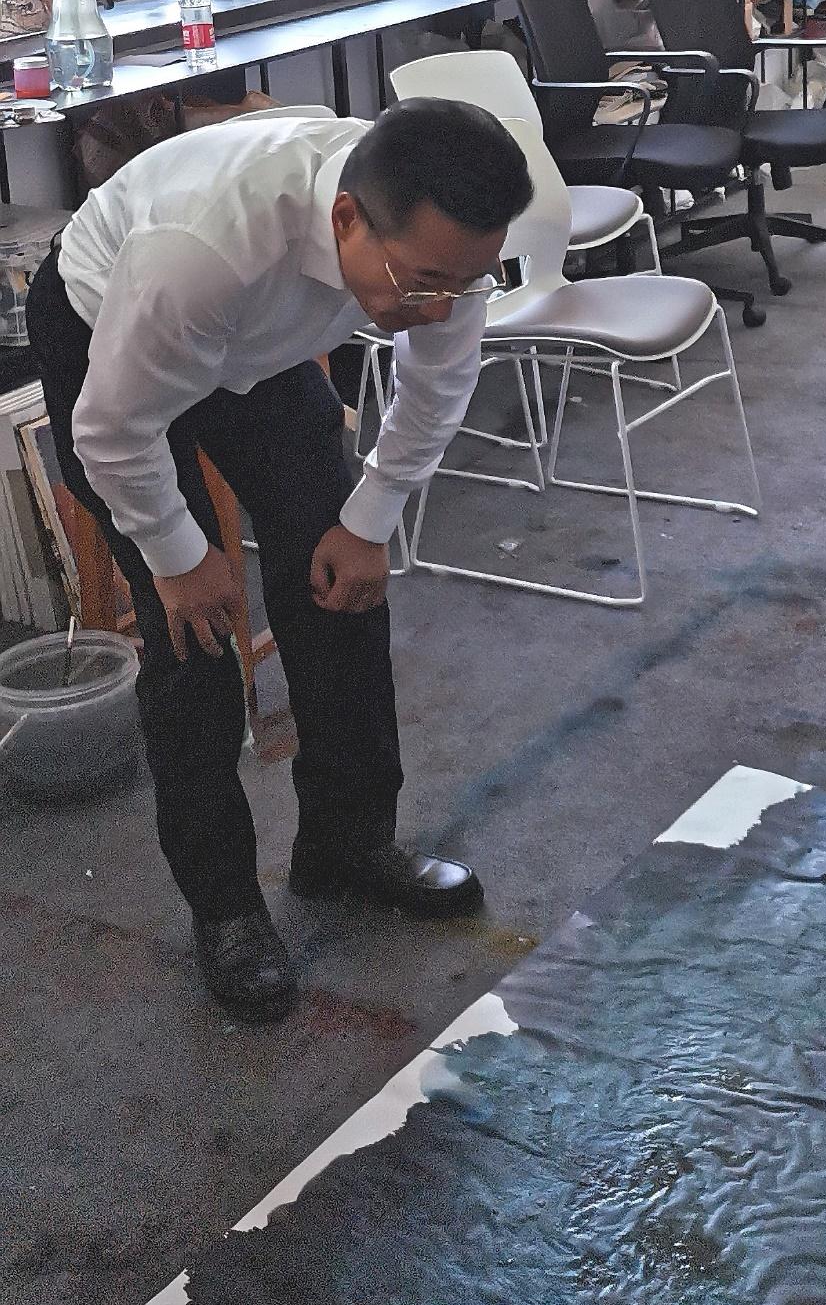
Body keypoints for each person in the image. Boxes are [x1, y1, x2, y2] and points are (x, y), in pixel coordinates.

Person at [26, 99, 533, 1020]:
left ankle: (346, 844)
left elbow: (438, 378)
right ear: (345, 218)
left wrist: (371, 518)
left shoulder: (441, 252)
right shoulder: (203, 249)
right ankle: (225, 907)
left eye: (463, 285)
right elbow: (110, 430)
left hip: (257, 345)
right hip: (111, 330)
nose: (437, 308)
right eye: (421, 283)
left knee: (344, 585)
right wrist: (178, 555)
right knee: (193, 637)